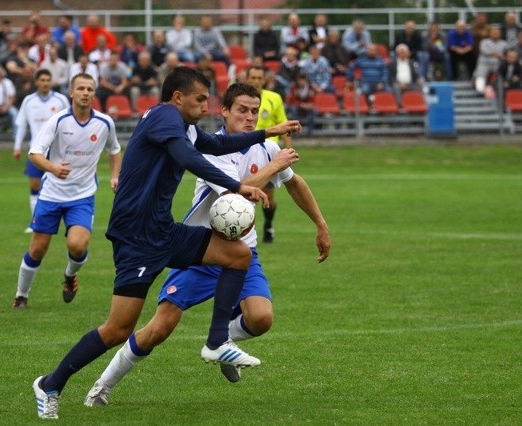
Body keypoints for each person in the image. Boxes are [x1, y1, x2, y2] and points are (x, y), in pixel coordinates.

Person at [31, 66, 301, 420]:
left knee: (238, 255)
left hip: (164, 230)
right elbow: (190, 158)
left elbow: (217, 142)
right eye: (200, 99)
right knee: (118, 329)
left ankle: (218, 340)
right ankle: (50, 383)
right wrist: (237, 186)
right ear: (178, 98)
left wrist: (269, 131)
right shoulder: (162, 117)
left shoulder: (185, 126)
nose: (206, 107)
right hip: (136, 237)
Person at [83, 82, 330, 405]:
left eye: (255, 112)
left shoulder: (266, 149)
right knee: (160, 328)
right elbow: (233, 191)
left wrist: (321, 224)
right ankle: (103, 386)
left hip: (242, 251)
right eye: (241, 110)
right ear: (224, 111)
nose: (249, 117)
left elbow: (294, 182)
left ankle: (221, 340)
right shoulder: (210, 148)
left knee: (261, 318)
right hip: (200, 250)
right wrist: (273, 167)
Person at [12, 72, 120, 311]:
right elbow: (35, 153)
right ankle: (21, 295)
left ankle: (70, 276)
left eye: (89, 89)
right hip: (51, 194)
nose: (85, 93)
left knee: (78, 246)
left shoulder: (104, 123)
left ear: (94, 94)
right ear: (71, 93)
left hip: (82, 196)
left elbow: (114, 149)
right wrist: (52, 167)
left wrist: (115, 176)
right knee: (38, 249)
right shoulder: (58, 120)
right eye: (80, 89)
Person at [13, 69, 70, 234]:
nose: (45, 83)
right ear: (36, 82)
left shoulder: (61, 100)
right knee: (34, 184)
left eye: (48, 80)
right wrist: (17, 147)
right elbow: (22, 125)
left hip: (57, 150)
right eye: (42, 80)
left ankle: (69, 220)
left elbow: (69, 121)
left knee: (61, 185)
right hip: (36, 150)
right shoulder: (28, 101)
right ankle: (35, 222)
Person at [246, 65, 292, 244]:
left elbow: (284, 125)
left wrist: (288, 151)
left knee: (268, 198)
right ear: (247, 79)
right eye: (253, 77)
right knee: (244, 195)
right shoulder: (242, 100)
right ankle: (246, 232)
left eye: (259, 78)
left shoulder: (274, 98)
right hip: (244, 154)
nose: (256, 81)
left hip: (268, 156)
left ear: (264, 80)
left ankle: (268, 224)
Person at [472, 27, 507, 95]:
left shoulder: (504, 44)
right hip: (484, 63)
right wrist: (498, 54)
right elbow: (485, 51)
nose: (495, 34)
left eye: (497, 33)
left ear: (500, 34)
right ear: (490, 34)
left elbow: (506, 55)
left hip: (497, 64)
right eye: (494, 33)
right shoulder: (484, 42)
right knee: (480, 75)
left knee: (503, 72)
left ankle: (499, 90)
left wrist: (499, 55)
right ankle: (480, 91)